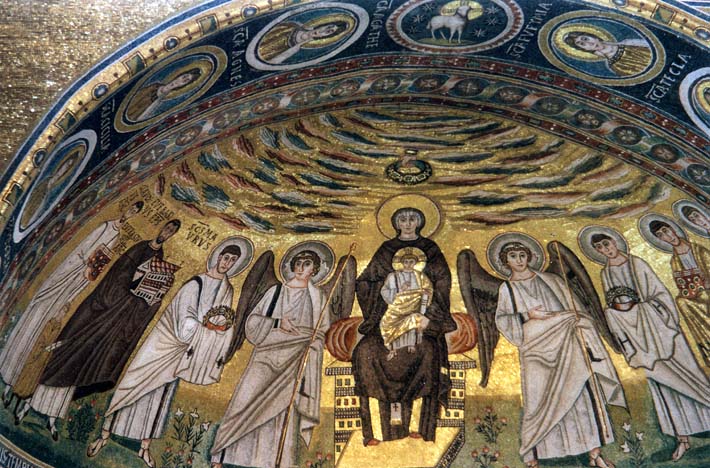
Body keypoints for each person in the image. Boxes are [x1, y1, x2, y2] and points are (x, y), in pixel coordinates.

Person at [86, 243, 242, 468]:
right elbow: (183, 319)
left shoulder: (227, 290)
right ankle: (104, 435)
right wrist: (204, 328)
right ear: (217, 257)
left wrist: (217, 330)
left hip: (185, 351)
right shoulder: (195, 283)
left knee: (161, 396)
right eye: (225, 257)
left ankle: (144, 447)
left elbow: (222, 320)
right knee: (134, 383)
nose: (227, 263)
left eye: (232, 261)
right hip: (165, 343)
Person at [26, 220, 181, 440]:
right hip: (103, 313)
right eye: (167, 228)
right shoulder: (139, 248)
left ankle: (52, 417)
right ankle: (31, 401)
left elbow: (147, 288)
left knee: (86, 363)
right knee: (70, 355)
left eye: (172, 232)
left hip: (117, 319)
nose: (167, 232)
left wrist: (151, 299)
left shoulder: (159, 259)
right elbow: (118, 276)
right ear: (161, 227)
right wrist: (131, 287)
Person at [1, 201, 144, 413]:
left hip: (76, 283)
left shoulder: (117, 236)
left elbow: (98, 265)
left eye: (135, 213)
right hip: (66, 276)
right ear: (125, 208)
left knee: (47, 329)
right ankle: (9, 370)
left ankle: (23, 382)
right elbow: (81, 251)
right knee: (38, 314)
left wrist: (88, 274)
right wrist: (85, 263)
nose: (130, 213)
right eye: (131, 209)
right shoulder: (104, 226)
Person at [494, 240, 624, 468]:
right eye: (513, 256)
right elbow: (502, 320)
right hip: (536, 352)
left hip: (567, 344)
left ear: (529, 257)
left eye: (522, 255)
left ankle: (594, 453)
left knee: (580, 395)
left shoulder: (551, 280)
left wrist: (574, 321)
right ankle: (534, 457)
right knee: (538, 403)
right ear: (506, 261)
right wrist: (526, 315)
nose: (519, 260)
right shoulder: (507, 289)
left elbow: (574, 308)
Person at [592, 232, 710, 461]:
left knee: (690, 375)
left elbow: (659, 294)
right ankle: (683, 439)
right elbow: (612, 304)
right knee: (664, 389)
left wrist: (641, 309)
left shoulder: (637, 263)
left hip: (661, 330)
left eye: (606, 244)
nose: (605, 250)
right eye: (600, 248)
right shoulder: (605, 273)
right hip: (639, 340)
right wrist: (621, 313)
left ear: (615, 242)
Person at [210, 249, 330, 468]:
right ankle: (221, 455)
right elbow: (252, 323)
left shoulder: (318, 297)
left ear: (315, 269)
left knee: (281, 415)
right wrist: (276, 322)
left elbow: (323, 333)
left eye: (307, 264)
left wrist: (311, 343)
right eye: (298, 262)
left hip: (294, 362)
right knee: (243, 402)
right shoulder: (276, 291)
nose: (301, 267)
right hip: (265, 357)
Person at [352, 208, 455, 445]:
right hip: (388, 317)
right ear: (396, 223)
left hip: (422, 321)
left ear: (420, 222)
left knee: (428, 353)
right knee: (365, 352)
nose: (407, 223)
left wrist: (428, 314)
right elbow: (366, 281)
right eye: (402, 219)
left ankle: (422, 429)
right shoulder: (386, 250)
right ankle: (374, 432)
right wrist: (385, 296)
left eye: (412, 219)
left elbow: (442, 284)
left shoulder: (431, 249)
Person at [649, 220, 710, 367]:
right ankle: (707, 343)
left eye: (666, 231)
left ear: (673, 229)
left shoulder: (698, 249)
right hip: (697, 296)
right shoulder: (674, 261)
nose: (666, 236)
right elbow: (682, 285)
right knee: (681, 301)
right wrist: (690, 290)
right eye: (660, 235)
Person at [380, 247, 433, 361]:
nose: (408, 264)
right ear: (402, 263)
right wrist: (399, 290)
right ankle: (393, 348)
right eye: (406, 262)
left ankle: (411, 344)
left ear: (415, 263)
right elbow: (384, 291)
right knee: (386, 323)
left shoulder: (420, 276)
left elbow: (428, 289)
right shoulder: (393, 276)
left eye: (411, 262)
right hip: (396, 307)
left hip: (414, 307)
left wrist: (425, 293)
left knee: (412, 319)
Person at [562, 31, 652, 77]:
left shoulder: (629, 43)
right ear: (585, 49)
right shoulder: (614, 67)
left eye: (586, 39)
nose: (590, 43)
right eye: (582, 44)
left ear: (594, 37)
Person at [126, 68, 202, 121]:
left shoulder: (161, 101)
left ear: (184, 85)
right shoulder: (154, 86)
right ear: (179, 75)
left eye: (186, 81)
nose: (181, 80)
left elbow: (140, 118)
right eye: (184, 77)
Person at [258, 20, 349, 65]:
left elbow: (269, 63)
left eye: (328, 32)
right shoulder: (292, 25)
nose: (322, 31)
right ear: (322, 24)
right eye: (327, 27)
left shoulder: (294, 49)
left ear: (325, 37)